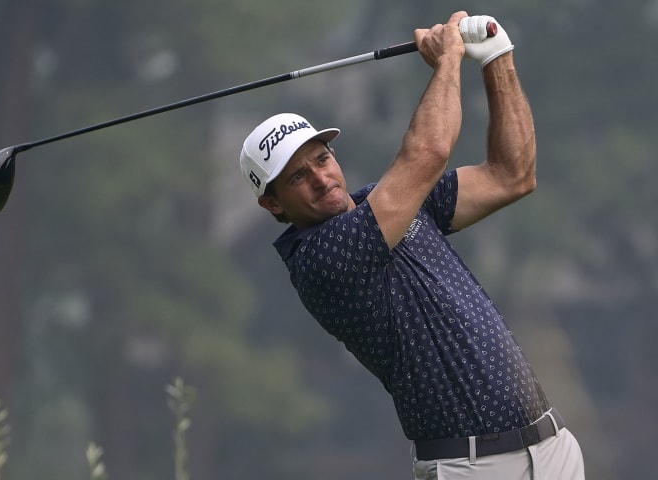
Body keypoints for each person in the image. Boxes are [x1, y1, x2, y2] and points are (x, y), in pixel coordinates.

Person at [238, 11, 584, 480]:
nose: (321, 179)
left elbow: (512, 175)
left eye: (322, 159)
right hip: (471, 466)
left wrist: (496, 57)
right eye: (298, 177)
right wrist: (449, 60)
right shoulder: (320, 258)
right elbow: (429, 151)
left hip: (552, 447)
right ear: (273, 205)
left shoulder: (382, 205)